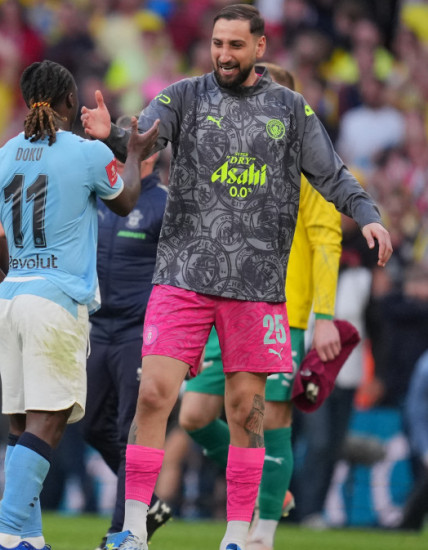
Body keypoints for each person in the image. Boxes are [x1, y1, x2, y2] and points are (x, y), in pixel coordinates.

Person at [79, 5, 392, 550]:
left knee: (246, 411)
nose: (224, 54)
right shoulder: (185, 96)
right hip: (182, 275)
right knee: (155, 394)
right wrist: (117, 137)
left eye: (235, 45)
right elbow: (144, 133)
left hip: (255, 286)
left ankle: (237, 534)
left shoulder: (292, 110)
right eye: (218, 44)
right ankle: (131, 529)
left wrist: (367, 215)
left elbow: (331, 172)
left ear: (260, 48)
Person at [0, 59, 156, 550]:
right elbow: (127, 201)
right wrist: (131, 153)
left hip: (11, 298)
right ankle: (4, 538)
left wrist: (3, 281)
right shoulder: (86, 154)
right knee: (49, 418)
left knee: (22, 421)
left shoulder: (0, 157)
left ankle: (30, 538)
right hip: (56, 301)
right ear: (69, 102)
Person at [178, 62, 342, 550]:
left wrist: (325, 317)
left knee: (270, 421)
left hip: (282, 314)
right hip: (226, 306)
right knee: (194, 415)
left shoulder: (311, 168)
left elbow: (327, 240)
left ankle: (262, 534)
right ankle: (269, 485)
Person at [82, 114, 171, 550]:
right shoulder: (101, 194)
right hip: (98, 328)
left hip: (140, 330)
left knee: (126, 433)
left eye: (129, 144)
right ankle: (147, 501)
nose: (120, 150)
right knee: (90, 424)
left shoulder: (165, 205)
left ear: (150, 152)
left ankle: (121, 532)